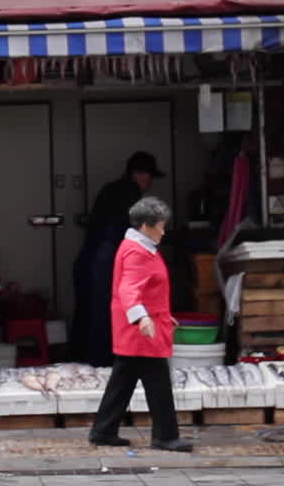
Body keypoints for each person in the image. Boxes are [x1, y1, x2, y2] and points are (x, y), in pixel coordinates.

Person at [89, 196, 192, 453]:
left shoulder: (134, 247)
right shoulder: (138, 252)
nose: (163, 230)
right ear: (146, 225)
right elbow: (129, 289)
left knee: (122, 381)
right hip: (143, 330)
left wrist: (161, 315)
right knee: (158, 384)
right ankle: (165, 436)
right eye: (160, 225)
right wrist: (143, 318)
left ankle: (103, 430)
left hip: (138, 327)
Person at [73, 151, 165, 366]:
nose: (150, 183)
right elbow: (131, 232)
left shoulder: (113, 190)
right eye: (149, 177)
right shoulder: (129, 194)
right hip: (103, 261)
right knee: (104, 313)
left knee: (90, 313)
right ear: (140, 174)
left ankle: (85, 360)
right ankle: (101, 363)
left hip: (91, 258)